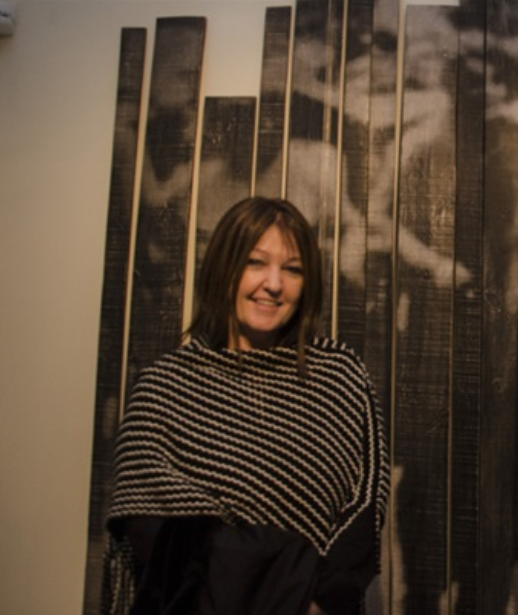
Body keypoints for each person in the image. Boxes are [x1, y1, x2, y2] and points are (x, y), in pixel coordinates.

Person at [102, 196, 390, 615]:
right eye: (256, 263)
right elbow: (153, 533)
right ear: (225, 267)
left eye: (293, 270)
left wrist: (318, 602)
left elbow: (365, 509)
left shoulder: (340, 376)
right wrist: (290, 583)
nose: (274, 284)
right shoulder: (164, 386)